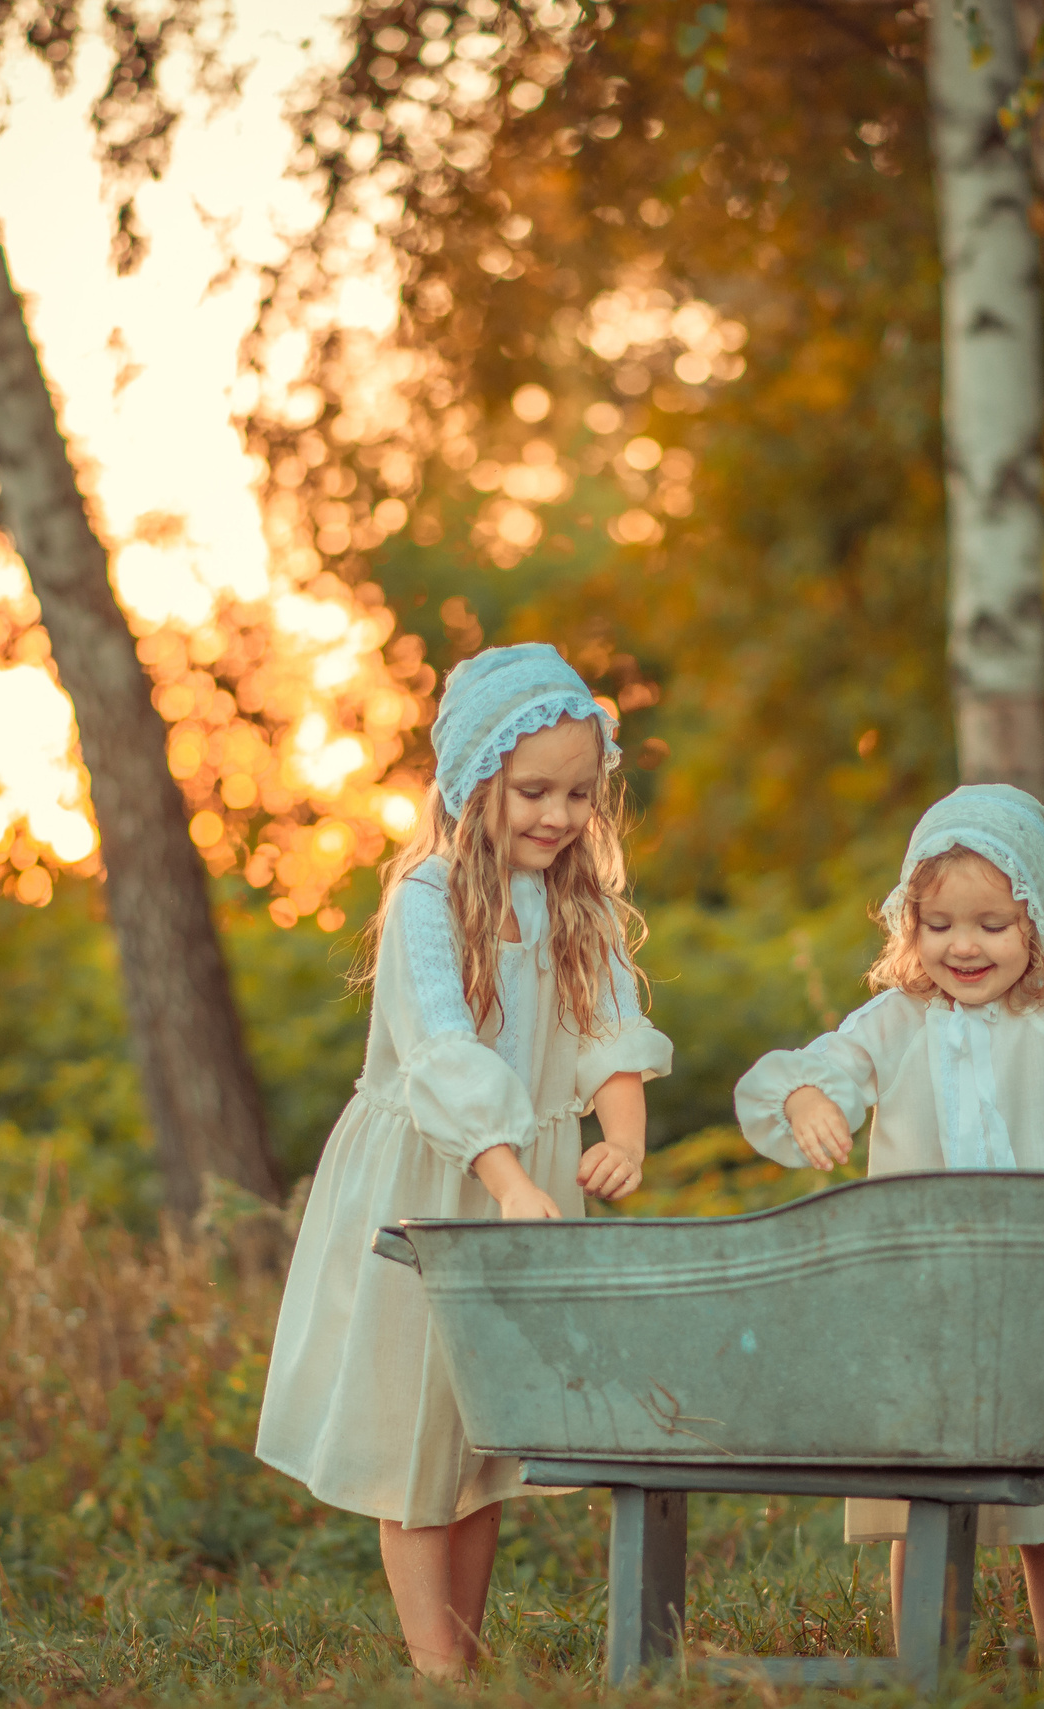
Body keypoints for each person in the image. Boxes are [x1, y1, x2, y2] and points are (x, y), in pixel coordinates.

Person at [257, 643, 672, 1677]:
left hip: (521, 1179)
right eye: (533, 789)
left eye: (579, 792)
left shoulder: (582, 908)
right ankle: (435, 1666)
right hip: (433, 1177)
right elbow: (442, 1050)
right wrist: (510, 1181)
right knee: (415, 1430)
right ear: (472, 781)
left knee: (485, 1440)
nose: (557, 814)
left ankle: (468, 1652)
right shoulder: (428, 902)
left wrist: (619, 1137)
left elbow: (610, 1033)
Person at [732, 784, 1044, 1664]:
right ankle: (927, 1662)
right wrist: (804, 1097)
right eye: (941, 922)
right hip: (926, 1302)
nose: (965, 944)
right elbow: (820, 1066)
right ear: (907, 924)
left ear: (1036, 924)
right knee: (928, 1494)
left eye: (993, 923)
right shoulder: (895, 1022)